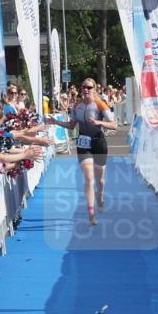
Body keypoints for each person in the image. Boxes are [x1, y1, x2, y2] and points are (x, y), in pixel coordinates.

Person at [47, 78, 117, 226]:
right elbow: (72, 125)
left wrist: (100, 122)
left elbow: (114, 125)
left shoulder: (99, 104)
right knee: (89, 179)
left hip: (98, 143)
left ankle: (100, 195)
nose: (86, 90)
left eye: (89, 87)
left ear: (95, 89)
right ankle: (91, 212)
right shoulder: (77, 106)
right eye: (84, 87)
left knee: (100, 180)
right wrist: (56, 122)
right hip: (83, 143)